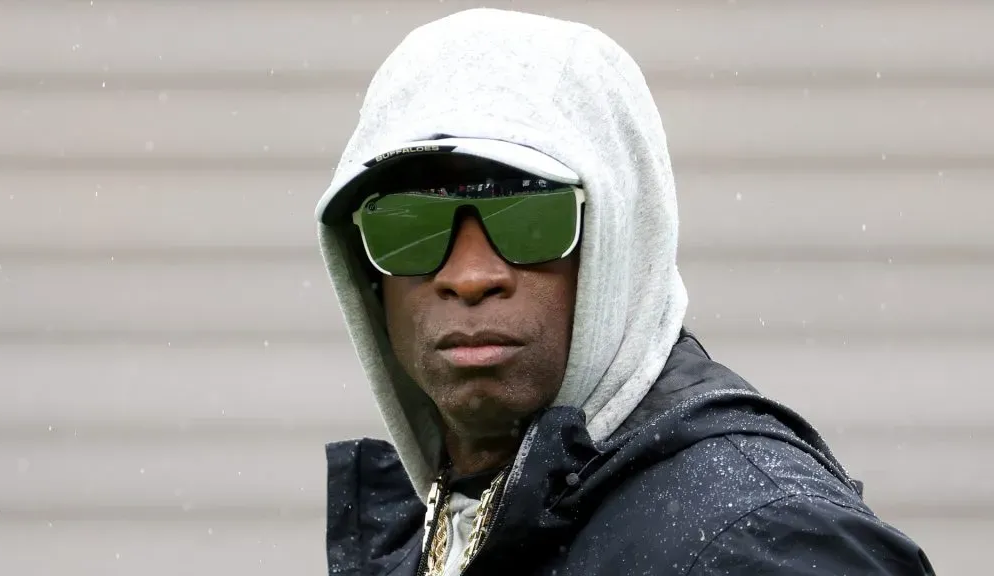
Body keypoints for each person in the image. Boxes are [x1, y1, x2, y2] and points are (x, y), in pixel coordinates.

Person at [315, 8, 936, 576]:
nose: (470, 275)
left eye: (532, 219)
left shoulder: (754, 540)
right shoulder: (446, 533)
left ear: (623, 240)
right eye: (409, 227)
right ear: (365, 271)